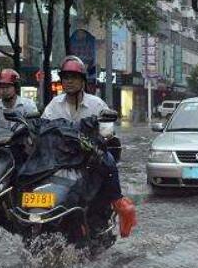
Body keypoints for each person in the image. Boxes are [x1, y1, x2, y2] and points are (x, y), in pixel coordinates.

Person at [41, 55, 136, 239]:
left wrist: (96, 139)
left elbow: (108, 134)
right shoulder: (54, 105)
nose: (68, 81)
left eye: (73, 77)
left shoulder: (96, 104)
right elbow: (44, 127)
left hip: (89, 158)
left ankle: (119, 202)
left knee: (107, 160)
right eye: (65, 77)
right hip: (60, 158)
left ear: (82, 80)